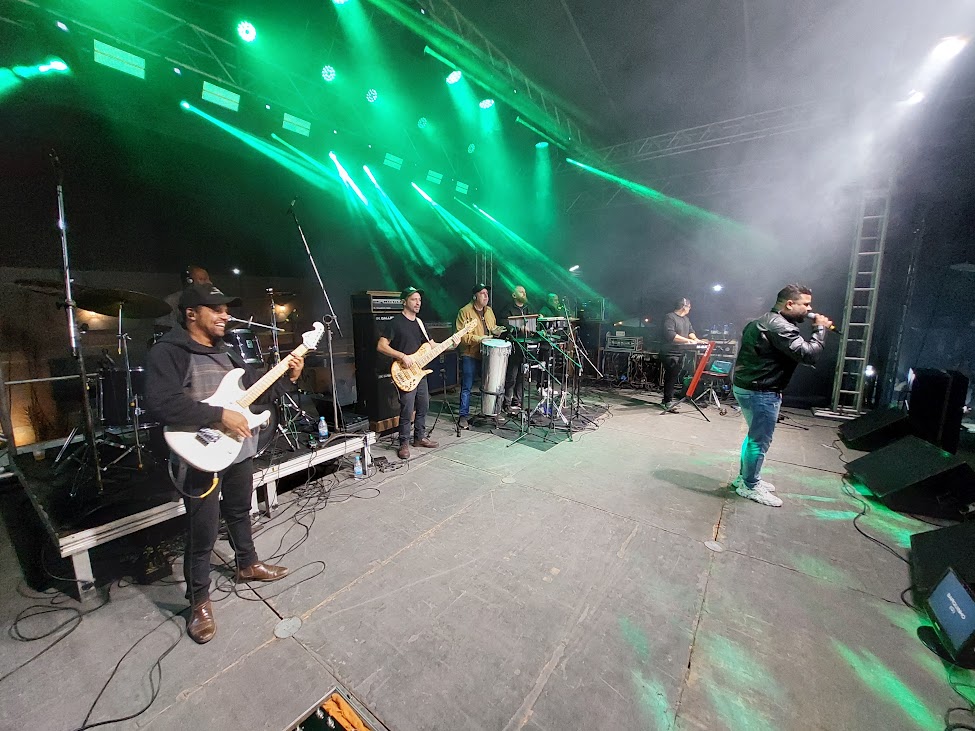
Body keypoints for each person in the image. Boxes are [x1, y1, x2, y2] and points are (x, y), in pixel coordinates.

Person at [145, 283, 304, 644]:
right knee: (202, 530)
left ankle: (247, 564)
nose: (225, 316)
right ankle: (199, 601)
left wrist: (291, 376)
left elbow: (258, 395)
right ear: (191, 314)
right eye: (216, 310)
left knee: (239, 511)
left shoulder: (228, 352)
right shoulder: (168, 351)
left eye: (226, 310)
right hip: (198, 452)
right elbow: (160, 403)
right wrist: (219, 415)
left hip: (237, 449)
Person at [731, 284, 832, 507]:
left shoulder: (764, 321)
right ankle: (749, 485)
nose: (810, 309)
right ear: (789, 304)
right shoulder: (780, 327)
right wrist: (820, 330)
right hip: (761, 392)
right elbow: (808, 355)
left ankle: (745, 478)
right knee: (759, 440)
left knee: (754, 437)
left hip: (749, 387)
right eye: (805, 304)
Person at [377, 287, 457, 460]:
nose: (418, 303)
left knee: (424, 405)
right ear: (404, 301)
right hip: (404, 372)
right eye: (414, 299)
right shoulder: (395, 322)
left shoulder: (420, 323)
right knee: (407, 408)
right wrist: (402, 356)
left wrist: (452, 344)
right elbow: (381, 346)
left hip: (419, 372)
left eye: (419, 299)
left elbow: (432, 345)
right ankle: (403, 443)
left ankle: (419, 437)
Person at [455, 283, 504, 429]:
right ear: (474, 296)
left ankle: (489, 412)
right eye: (482, 293)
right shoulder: (464, 311)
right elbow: (461, 336)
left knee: (490, 384)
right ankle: (463, 416)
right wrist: (480, 339)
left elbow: (492, 328)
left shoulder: (489, 311)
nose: (486, 296)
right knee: (467, 386)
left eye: (487, 294)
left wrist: (496, 331)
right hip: (470, 353)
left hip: (487, 354)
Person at [661, 298, 705, 412]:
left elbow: (691, 332)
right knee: (671, 376)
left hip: (680, 352)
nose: (690, 308)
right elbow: (671, 335)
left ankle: (667, 400)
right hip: (669, 352)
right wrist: (688, 341)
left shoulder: (686, 319)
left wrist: (696, 340)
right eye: (689, 306)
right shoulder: (670, 317)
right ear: (684, 306)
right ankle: (667, 401)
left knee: (674, 376)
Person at [498, 285, 535, 411]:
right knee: (511, 376)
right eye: (521, 292)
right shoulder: (508, 309)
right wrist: (518, 327)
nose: (524, 293)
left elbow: (533, 323)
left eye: (524, 291)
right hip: (513, 345)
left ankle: (517, 401)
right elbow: (503, 322)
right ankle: (507, 402)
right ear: (514, 295)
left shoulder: (528, 308)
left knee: (522, 375)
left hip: (525, 346)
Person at [156, 265, 212, 330]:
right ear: (189, 282)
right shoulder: (172, 301)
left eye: (208, 279)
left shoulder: (212, 301)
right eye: (203, 279)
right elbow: (164, 329)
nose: (209, 283)